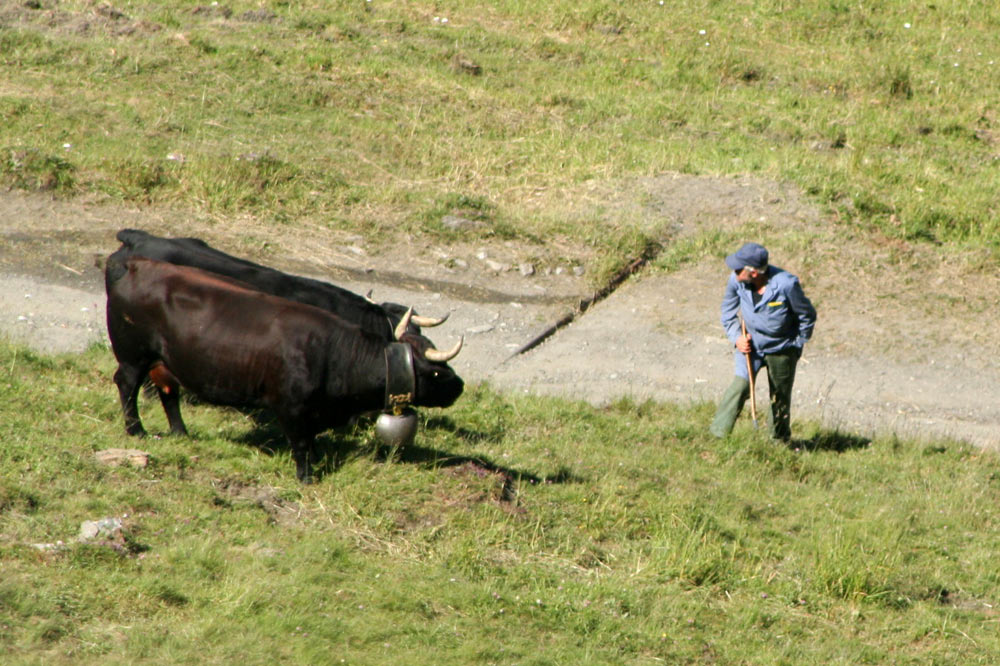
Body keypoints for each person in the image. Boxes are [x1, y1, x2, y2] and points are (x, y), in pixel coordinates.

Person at [709, 242, 816, 442]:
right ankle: (717, 436)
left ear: (754, 273)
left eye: (739, 268)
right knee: (740, 386)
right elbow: (727, 313)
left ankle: (778, 442)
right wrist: (736, 338)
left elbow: (807, 315)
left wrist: (798, 343)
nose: (735, 271)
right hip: (750, 347)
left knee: (780, 397)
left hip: (782, 349)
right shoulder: (736, 280)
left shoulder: (786, 284)